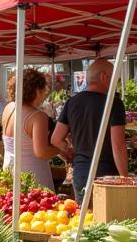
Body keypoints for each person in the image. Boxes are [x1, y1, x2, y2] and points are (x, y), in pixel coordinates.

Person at [51, 58, 127, 201]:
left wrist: (69, 154)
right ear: (104, 77)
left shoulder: (71, 102)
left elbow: (55, 139)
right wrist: (125, 177)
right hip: (107, 173)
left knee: (85, 219)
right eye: (115, 78)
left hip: (81, 171)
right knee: (109, 219)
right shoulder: (114, 103)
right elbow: (118, 145)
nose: (115, 83)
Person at [2, 69, 61, 191]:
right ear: (37, 91)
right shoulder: (37, 116)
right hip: (32, 177)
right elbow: (41, 152)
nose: (45, 94)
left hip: (8, 171)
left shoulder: (9, 108)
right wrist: (59, 149)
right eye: (44, 89)